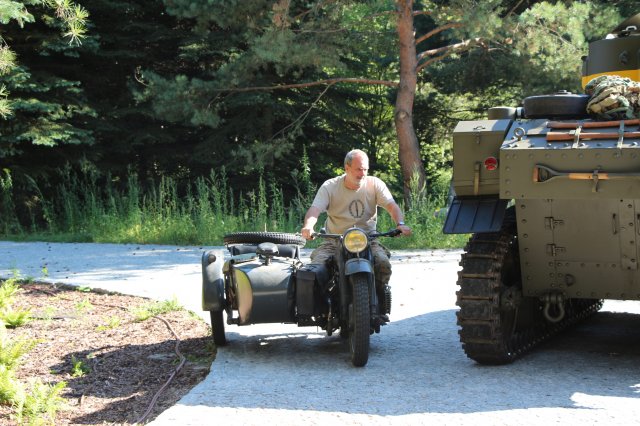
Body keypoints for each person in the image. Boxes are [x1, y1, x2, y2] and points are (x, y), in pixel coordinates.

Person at [300, 149, 412, 320]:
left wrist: (400, 224)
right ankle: (321, 309)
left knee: (383, 264)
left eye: (365, 169)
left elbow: (391, 205)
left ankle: (380, 303)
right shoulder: (330, 186)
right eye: (358, 169)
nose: (362, 174)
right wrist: (308, 226)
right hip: (334, 241)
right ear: (347, 168)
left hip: (368, 239)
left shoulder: (374, 184)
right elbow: (315, 209)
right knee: (316, 271)